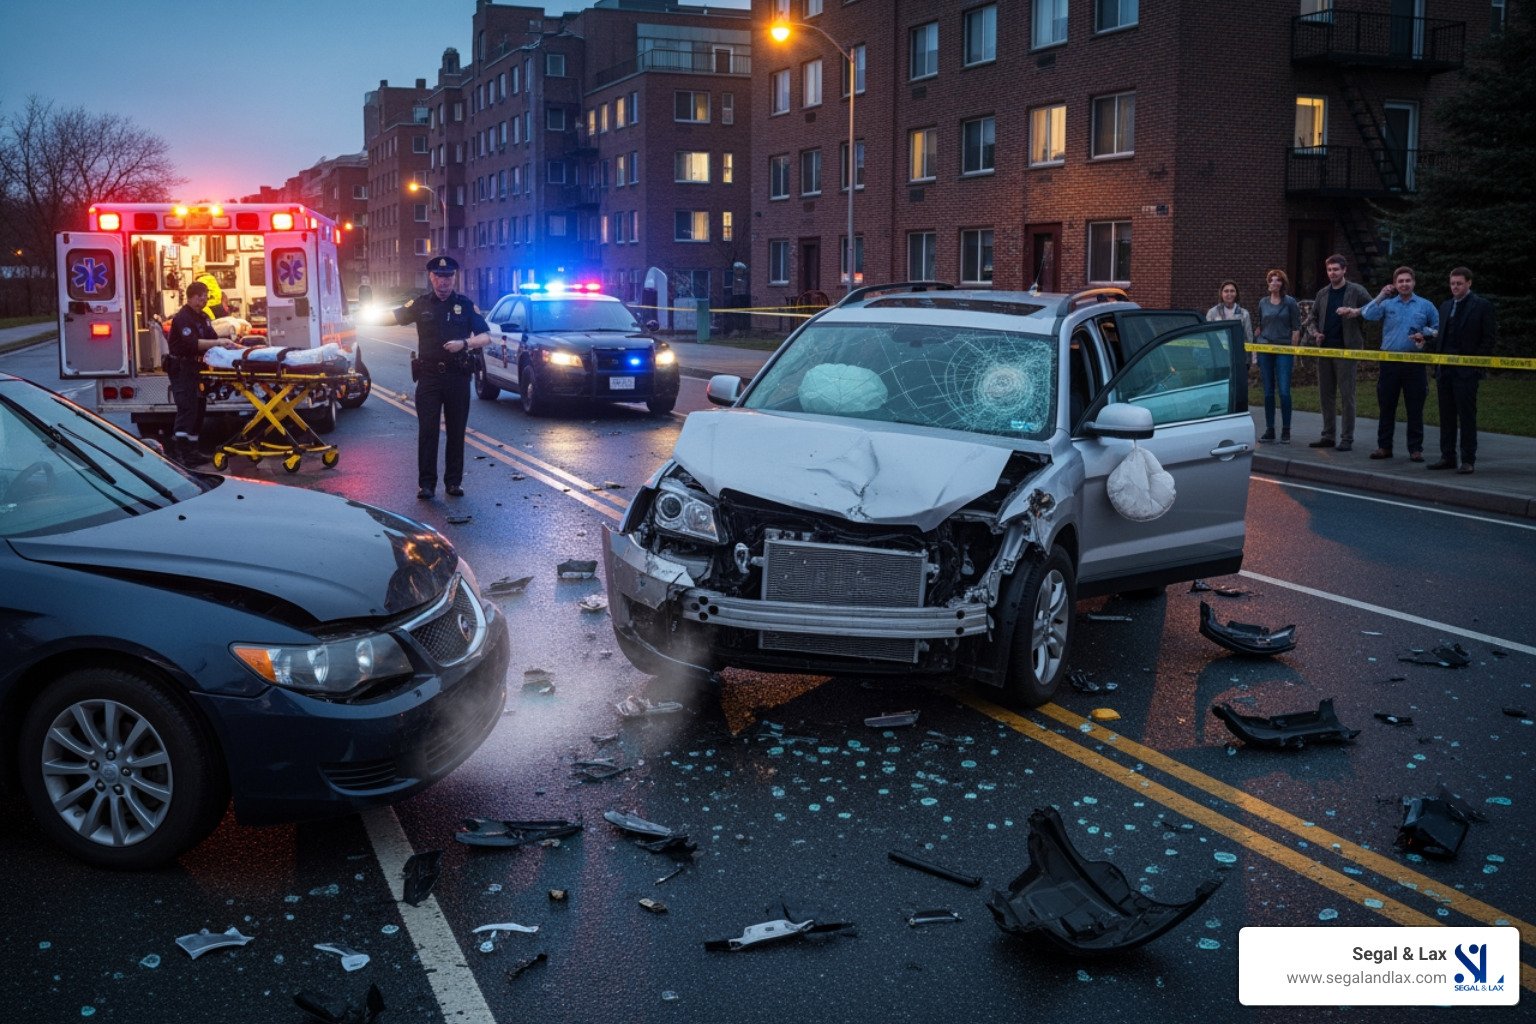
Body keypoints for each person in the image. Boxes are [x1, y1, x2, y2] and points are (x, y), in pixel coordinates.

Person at [393, 255, 490, 499]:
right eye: (439, 276)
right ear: (431, 277)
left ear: (454, 278)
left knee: (456, 431)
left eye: (448, 276)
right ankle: (426, 485)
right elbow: (394, 317)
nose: (443, 281)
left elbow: (485, 336)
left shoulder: (465, 305)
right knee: (428, 431)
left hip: (457, 376)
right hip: (429, 377)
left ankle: (453, 483)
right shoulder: (420, 304)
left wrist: (464, 343)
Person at [1340, 265, 1439, 461]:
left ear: (1414, 282)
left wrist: (1425, 334)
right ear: (1395, 284)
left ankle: (1415, 449)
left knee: (1415, 407)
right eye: (1400, 281)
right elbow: (1367, 314)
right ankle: (1384, 447)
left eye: (1407, 281)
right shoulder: (1387, 304)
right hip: (1389, 363)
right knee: (1386, 406)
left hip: (1414, 363)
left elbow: (1437, 328)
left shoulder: (1426, 305)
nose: (1404, 284)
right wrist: (1381, 296)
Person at [1428, 266, 1497, 474]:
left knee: (1467, 416)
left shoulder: (1482, 306)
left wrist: (1474, 365)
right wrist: (1427, 343)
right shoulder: (1445, 306)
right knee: (1446, 416)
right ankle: (1447, 456)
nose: (1455, 287)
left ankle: (1468, 460)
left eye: (1459, 283)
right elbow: (1442, 337)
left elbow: (1489, 338)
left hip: (1466, 372)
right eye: (1452, 283)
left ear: (1469, 283)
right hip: (1445, 371)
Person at [166, 280, 238, 467]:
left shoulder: (203, 317)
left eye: (205, 297)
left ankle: (193, 451)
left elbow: (212, 337)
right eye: (200, 297)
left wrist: (227, 344)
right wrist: (218, 343)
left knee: (199, 409)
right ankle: (182, 454)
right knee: (187, 409)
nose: (204, 300)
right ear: (190, 298)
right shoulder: (183, 318)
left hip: (197, 367)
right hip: (182, 368)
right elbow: (193, 343)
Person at [1303, 254, 1371, 452]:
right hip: (1325, 349)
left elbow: (1373, 309)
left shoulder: (1356, 290)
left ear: (1344, 270)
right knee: (1326, 395)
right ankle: (1328, 436)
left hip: (1347, 350)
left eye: (1336, 269)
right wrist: (1315, 333)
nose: (1332, 273)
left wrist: (1354, 311)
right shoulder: (1323, 293)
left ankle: (1347, 438)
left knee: (1347, 396)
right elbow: (1311, 318)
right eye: (1329, 270)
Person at [1254, 268, 1301, 443]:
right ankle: (1270, 429)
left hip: (1284, 349)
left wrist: (1293, 352)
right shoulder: (1263, 302)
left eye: (1278, 280)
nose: (1274, 283)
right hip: (1265, 348)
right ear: (1268, 283)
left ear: (1283, 283)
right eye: (1271, 280)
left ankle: (1286, 430)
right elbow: (1260, 326)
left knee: (1284, 391)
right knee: (1268, 392)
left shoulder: (1290, 302)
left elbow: (1296, 329)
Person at [1205, 279, 1254, 344]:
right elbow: (1208, 335)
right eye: (1226, 291)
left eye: (1232, 291)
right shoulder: (1212, 313)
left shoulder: (1244, 314)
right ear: (1221, 294)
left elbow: (1248, 337)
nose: (1229, 294)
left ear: (1236, 294)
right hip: (1218, 349)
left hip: (1237, 348)